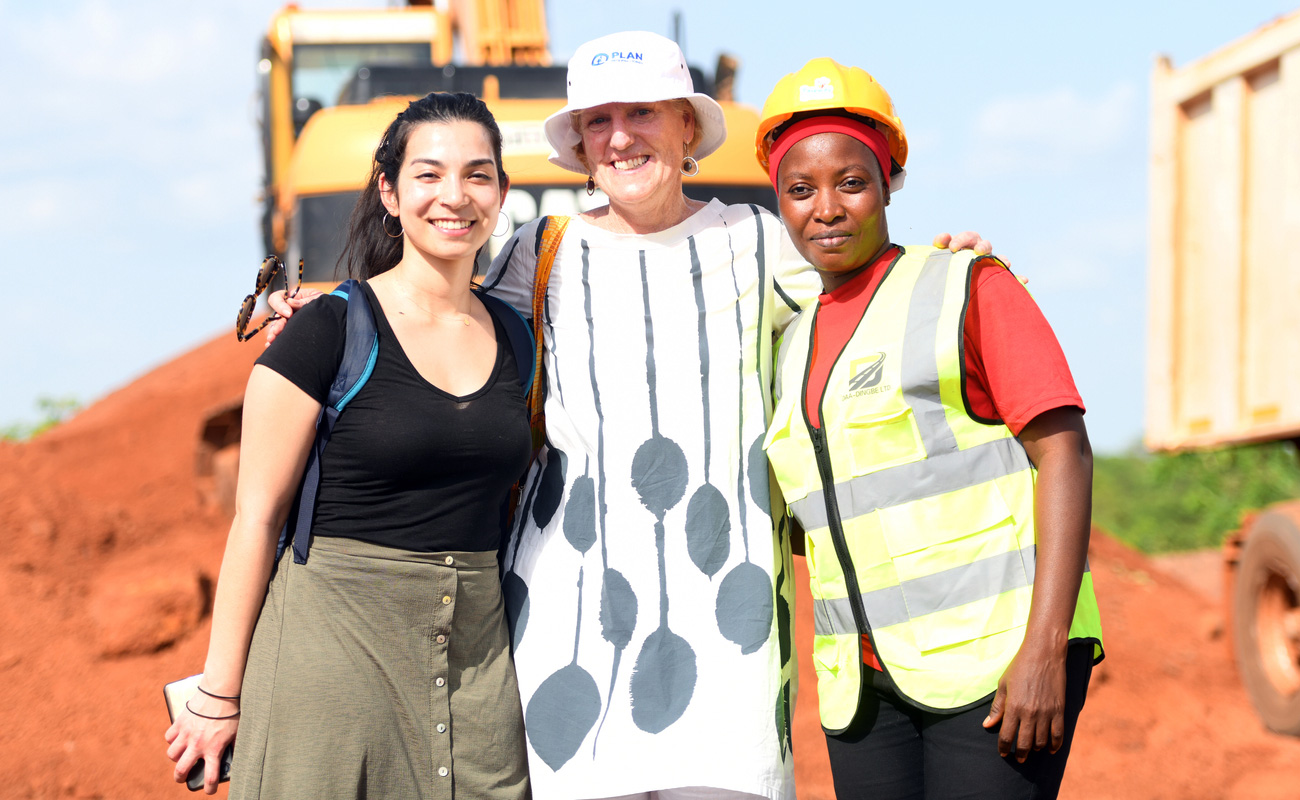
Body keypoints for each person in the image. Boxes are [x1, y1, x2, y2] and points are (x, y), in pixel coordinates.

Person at [266, 32, 989, 800]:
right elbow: (433, 327)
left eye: (642, 111)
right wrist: (324, 315)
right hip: (565, 627)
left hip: (727, 634)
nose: (620, 136)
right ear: (578, 145)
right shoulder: (537, 253)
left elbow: (864, 313)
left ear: (686, 127)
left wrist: (939, 270)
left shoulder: (758, 245)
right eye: (598, 120)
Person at [164, 91, 531, 798]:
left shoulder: (517, 336)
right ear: (389, 192)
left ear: (501, 193)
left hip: (478, 668)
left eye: (477, 175)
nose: (454, 196)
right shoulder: (327, 331)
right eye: (428, 175)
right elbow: (256, 519)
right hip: (331, 662)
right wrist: (218, 693)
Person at [756, 59, 1105, 799]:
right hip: (863, 683)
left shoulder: (968, 286)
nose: (826, 208)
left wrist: (1044, 651)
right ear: (778, 201)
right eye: (800, 189)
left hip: (993, 661)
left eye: (851, 181)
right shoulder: (788, 342)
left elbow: (1065, 453)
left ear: (890, 182)